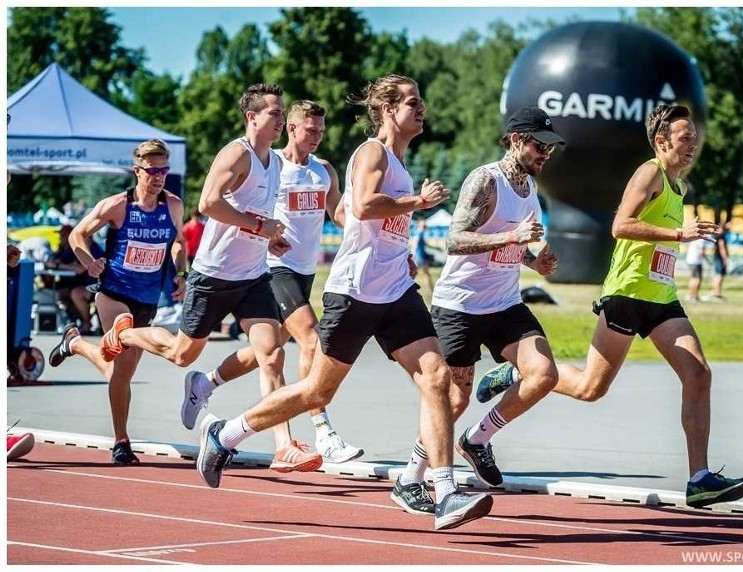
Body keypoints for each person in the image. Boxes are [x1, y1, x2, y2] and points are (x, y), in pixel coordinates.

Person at [193, 74, 492, 531]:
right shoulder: (371, 152)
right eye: (412, 102)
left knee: (439, 379)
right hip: (355, 292)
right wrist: (418, 201)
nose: (421, 108)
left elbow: (375, 223)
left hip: (394, 291)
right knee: (317, 391)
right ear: (388, 110)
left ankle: (443, 489)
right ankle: (226, 433)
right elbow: (367, 205)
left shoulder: (399, 161)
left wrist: (403, 252)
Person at [475, 104, 743, 509]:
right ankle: (519, 368)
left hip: (661, 297)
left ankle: (699, 478)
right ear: (662, 141)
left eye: (695, 136)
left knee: (698, 373)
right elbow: (621, 224)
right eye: (684, 137)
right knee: (590, 388)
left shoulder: (680, 186)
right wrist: (678, 233)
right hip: (626, 295)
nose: (693, 144)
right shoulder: (650, 172)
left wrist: (675, 240)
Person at [89, 85, 326, 473]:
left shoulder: (276, 164)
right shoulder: (237, 153)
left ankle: (284, 445)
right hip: (214, 274)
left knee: (273, 353)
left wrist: (273, 237)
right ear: (252, 117)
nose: (281, 119)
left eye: (283, 113)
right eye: (274, 113)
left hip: (253, 276)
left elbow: (259, 217)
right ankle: (127, 335)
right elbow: (208, 203)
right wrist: (259, 226)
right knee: (182, 355)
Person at [393, 106, 564, 507]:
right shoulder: (486, 181)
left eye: (551, 149)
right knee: (453, 400)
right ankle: (409, 478)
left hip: (504, 304)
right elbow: (455, 240)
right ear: (518, 139)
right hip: (460, 306)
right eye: (541, 146)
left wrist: (533, 261)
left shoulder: (530, 191)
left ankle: (477, 439)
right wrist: (510, 238)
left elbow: (514, 245)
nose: (546, 154)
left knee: (543, 374)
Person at [181, 100, 362, 464]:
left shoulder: (324, 171)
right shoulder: (274, 165)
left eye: (321, 132)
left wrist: (380, 223)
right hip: (275, 267)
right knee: (311, 338)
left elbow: (341, 213)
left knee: (268, 352)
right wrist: (264, 232)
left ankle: (206, 383)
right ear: (292, 129)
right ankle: (321, 428)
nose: (317, 137)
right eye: (310, 130)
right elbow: (237, 204)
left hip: (305, 270)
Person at [47, 139, 187, 465]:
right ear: (137, 171)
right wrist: (88, 261)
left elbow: (177, 243)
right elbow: (77, 234)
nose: (159, 176)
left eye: (163, 169)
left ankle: (76, 344)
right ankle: (121, 441)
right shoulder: (118, 205)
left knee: (118, 370)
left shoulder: (174, 206)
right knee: (122, 334)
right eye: (152, 170)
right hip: (113, 293)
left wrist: (181, 272)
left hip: (148, 299)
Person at [43, 225, 103, 334]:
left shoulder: (93, 249)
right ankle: (77, 320)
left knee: (76, 294)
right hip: (80, 283)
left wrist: (57, 265)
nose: (61, 237)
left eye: (63, 235)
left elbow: (79, 268)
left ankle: (86, 323)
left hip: (96, 285)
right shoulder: (69, 248)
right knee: (62, 294)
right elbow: (61, 262)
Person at [411, 219, 434, 292]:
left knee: (419, 274)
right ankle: (430, 290)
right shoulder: (419, 233)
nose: (424, 226)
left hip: (421, 256)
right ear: (419, 226)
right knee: (422, 274)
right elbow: (415, 243)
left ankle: (430, 290)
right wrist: (413, 254)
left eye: (424, 225)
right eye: (423, 225)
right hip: (419, 256)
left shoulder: (419, 233)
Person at [684, 235, 709, 302]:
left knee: (693, 278)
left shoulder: (693, 237)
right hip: (696, 261)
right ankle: (694, 296)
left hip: (690, 260)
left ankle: (691, 295)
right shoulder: (702, 239)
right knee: (697, 279)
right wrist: (708, 261)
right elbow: (702, 252)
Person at [709, 222, 729, 301]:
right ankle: (717, 294)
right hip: (720, 258)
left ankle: (715, 292)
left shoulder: (715, 236)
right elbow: (722, 248)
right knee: (719, 276)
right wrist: (725, 259)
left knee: (716, 275)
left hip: (716, 257)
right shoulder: (721, 237)